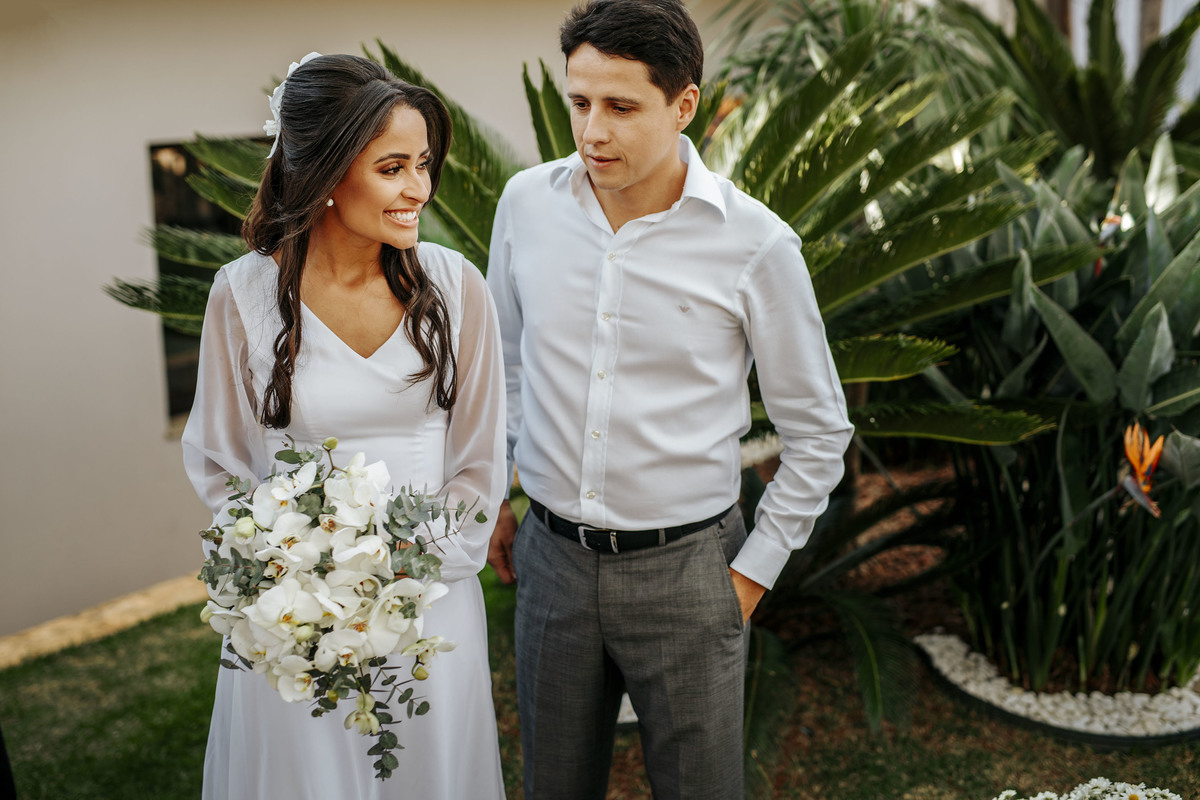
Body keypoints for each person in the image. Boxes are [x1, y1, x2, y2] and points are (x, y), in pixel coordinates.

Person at [485, 1, 854, 797]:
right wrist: (498, 497)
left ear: (684, 105)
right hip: (550, 564)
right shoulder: (523, 206)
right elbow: (506, 368)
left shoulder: (756, 245)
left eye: (621, 107)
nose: (592, 132)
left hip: (691, 572)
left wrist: (750, 575)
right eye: (579, 102)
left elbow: (820, 433)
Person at [182, 53, 507, 800]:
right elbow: (221, 463)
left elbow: (481, 462)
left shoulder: (458, 287)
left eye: (423, 163)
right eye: (393, 167)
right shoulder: (243, 295)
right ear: (328, 174)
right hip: (295, 620)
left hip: (430, 608)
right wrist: (298, 580)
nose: (418, 188)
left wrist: (401, 576)